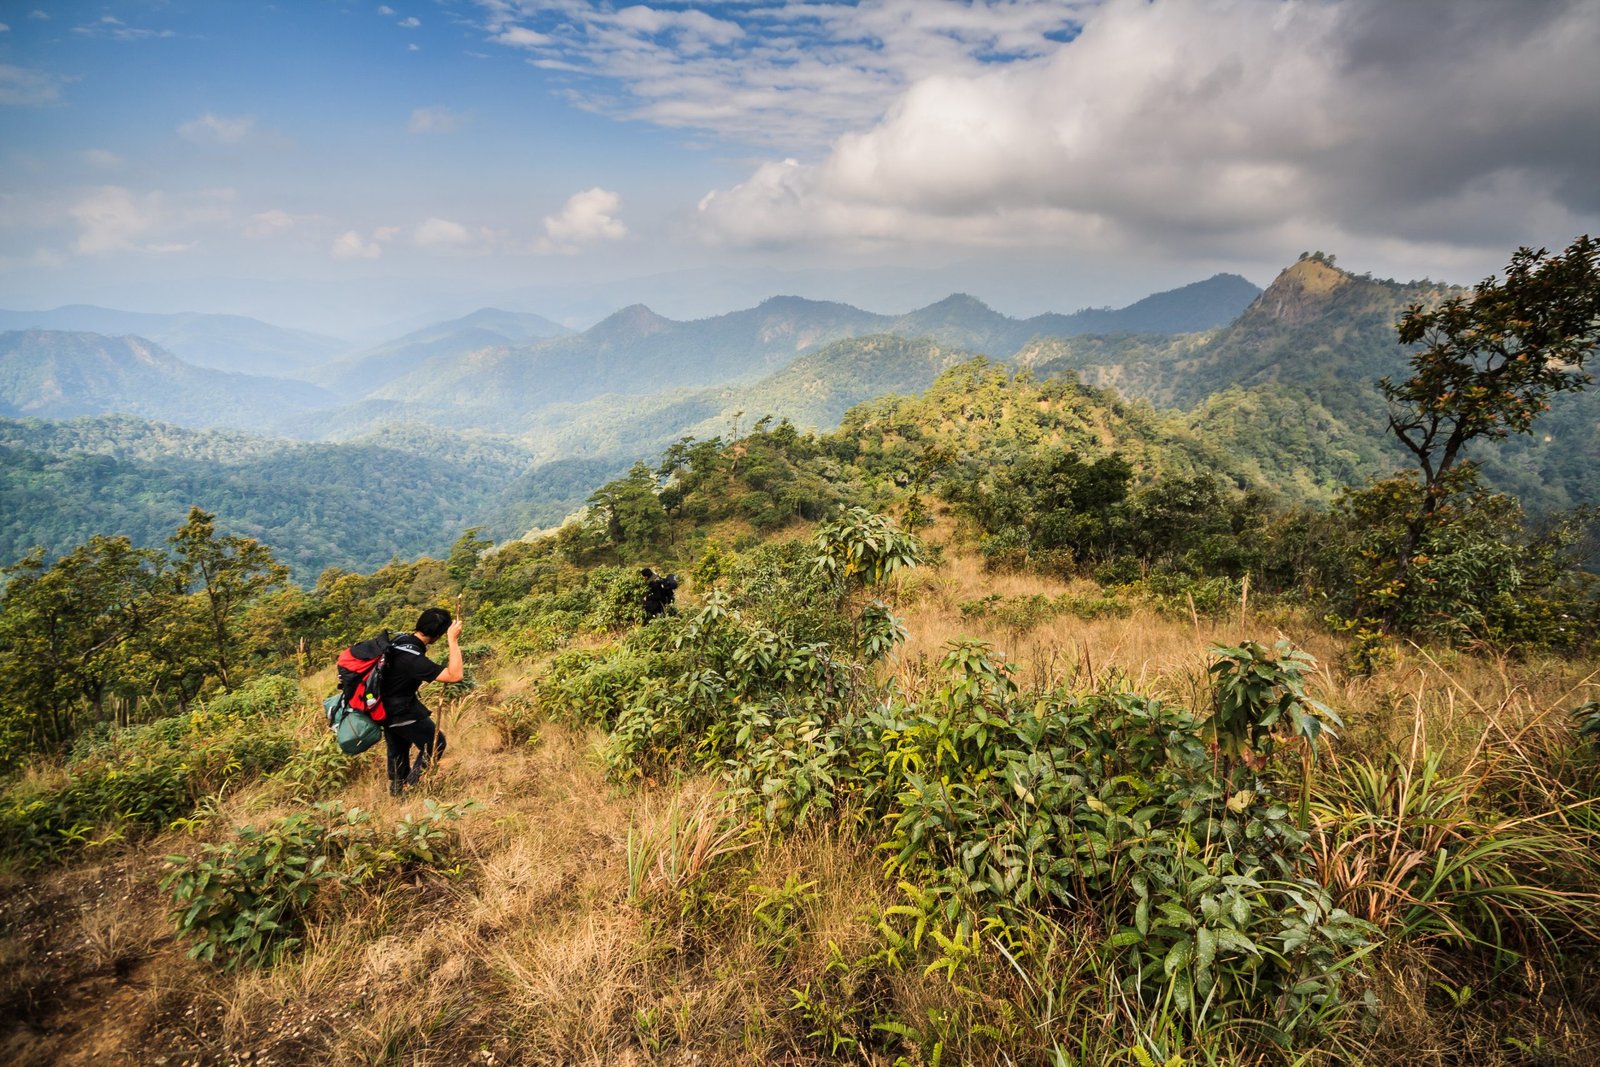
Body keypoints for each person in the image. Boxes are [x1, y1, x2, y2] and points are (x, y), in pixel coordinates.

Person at [380, 606, 463, 796]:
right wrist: (453, 640)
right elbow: (455, 675)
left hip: (383, 709)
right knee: (436, 743)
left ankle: (397, 793)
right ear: (437, 636)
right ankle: (413, 786)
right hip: (400, 709)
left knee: (398, 748)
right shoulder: (413, 659)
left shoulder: (400, 641)